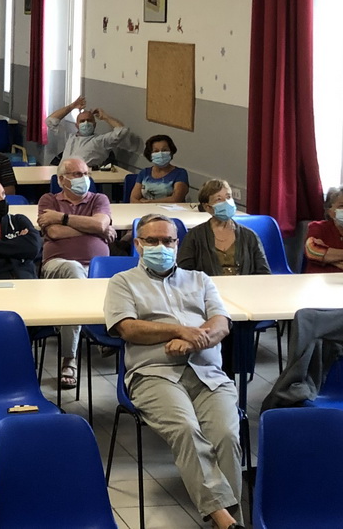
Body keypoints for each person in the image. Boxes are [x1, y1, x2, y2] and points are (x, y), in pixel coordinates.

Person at [105, 213, 243, 529]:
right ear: (138, 244)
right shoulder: (123, 282)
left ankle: (228, 522)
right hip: (154, 373)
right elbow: (128, 328)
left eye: (168, 241)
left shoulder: (200, 280)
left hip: (207, 373)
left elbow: (221, 323)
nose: (161, 247)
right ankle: (226, 521)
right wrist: (178, 331)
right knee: (185, 428)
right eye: (152, 240)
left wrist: (193, 341)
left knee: (226, 435)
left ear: (177, 243)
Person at [36, 157, 114, 390]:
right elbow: (54, 233)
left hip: (97, 269)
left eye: (86, 173)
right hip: (57, 266)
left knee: (83, 278)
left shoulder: (99, 199)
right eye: (77, 174)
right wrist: (93, 229)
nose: (84, 178)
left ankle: (82, 345)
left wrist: (63, 219)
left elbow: (100, 224)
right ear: (62, 180)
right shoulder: (49, 200)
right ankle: (69, 359)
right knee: (74, 270)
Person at [46, 95, 129, 168]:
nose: (86, 123)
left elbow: (122, 131)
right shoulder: (69, 137)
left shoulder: (101, 141)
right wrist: (72, 106)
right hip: (63, 174)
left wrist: (105, 117)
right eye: (82, 121)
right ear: (77, 125)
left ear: (94, 124)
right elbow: (50, 121)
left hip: (85, 176)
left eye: (89, 120)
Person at [131, 134, 189, 203]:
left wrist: (149, 202)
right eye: (156, 151)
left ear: (171, 152)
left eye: (164, 150)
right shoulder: (144, 173)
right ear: (150, 154)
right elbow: (133, 199)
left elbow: (176, 199)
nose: (160, 154)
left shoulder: (180, 173)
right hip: (144, 209)